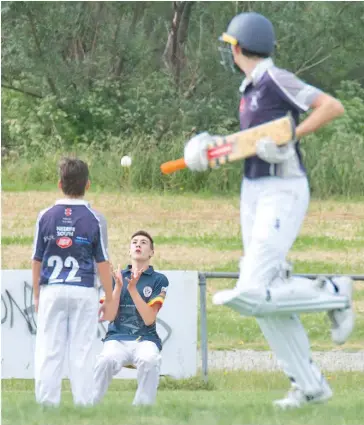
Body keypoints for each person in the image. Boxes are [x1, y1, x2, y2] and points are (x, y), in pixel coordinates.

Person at [183, 12, 354, 409]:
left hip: (284, 190)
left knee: (252, 290)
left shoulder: (275, 79)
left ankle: (333, 292)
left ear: (238, 48)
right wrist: (212, 149)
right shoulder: (250, 88)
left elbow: (331, 107)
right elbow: (251, 141)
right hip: (253, 192)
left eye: (230, 47)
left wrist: (293, 135)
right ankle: (310, 386)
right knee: (262, 297)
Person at [32, 157, 117, 407]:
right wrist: (110, 298)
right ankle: (84, 405)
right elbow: (102, 262)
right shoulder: (95, 218)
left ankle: (47, 405)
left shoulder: (45, 216)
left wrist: (37, 293)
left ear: (60, 184)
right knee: (82, 350)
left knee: (49, 349)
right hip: (83, 290)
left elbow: (37, 259)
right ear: (88, 185)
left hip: (52, 289)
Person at [93, 230, 169, 406]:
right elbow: (110, 316)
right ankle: (90, 405)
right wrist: (119, 286)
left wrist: (133, 289)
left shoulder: (159, 279)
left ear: (151, 252)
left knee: (150, 360)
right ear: (129, 250)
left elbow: (149, 319)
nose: (138, 245)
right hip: (117, 338)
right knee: (105, 360)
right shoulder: (115, 277)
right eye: (134, 242)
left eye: (143, 242)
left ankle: (142, 408)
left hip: (146, 339)